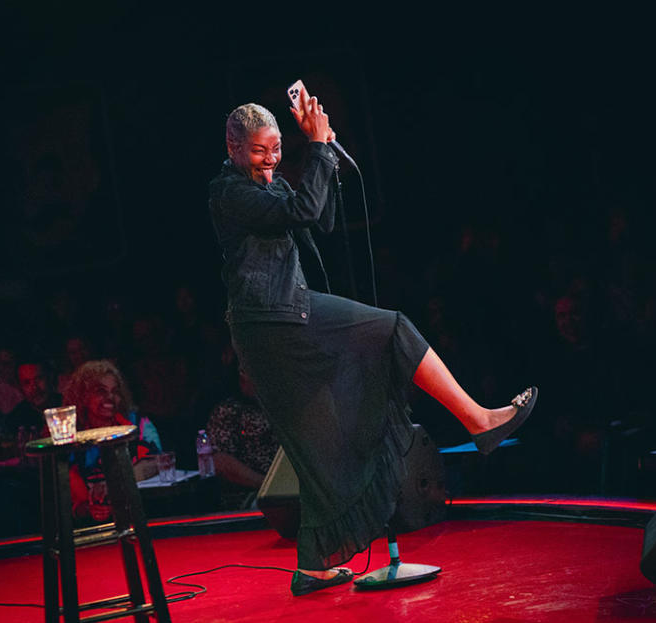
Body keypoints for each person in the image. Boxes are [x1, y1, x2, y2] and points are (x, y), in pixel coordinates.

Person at [208, 96, 536, 595]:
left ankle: (314, 566)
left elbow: (319, 217)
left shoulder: (262, 187)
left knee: (318, 439)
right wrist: (316, 146)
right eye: (259, 151)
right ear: (232, 147)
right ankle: (479, 420)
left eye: (277, 149)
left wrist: (325, 154)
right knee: (393, 328)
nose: (271, 160)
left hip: (284, 315)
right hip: (274, 321)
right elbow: (305, 208)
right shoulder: (227, 192)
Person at [63, 360, 162, 523]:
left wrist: (114, 486)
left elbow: (157, 463)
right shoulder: (71, 436)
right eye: (101, 391)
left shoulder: (138, 423)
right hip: (91, 523)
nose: (110, 397)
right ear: (83, 395)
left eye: (115, 391)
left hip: (142, 514)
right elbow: (72, 494)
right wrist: (90, 508)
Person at [206, 368, 279, 508]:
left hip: (290, 491)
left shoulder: (281, 408)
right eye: (242, 371)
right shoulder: (229, 411)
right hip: (250, 497)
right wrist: (267, 484)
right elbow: (220, 461)